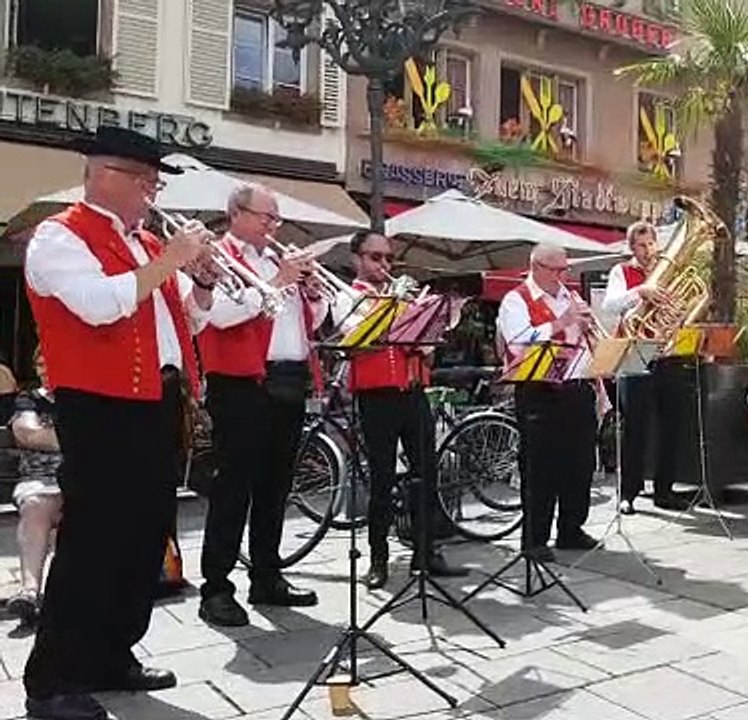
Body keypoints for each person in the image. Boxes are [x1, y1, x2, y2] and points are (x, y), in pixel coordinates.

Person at [23, 127, 215, 720]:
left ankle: (112, 653)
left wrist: (201, 279)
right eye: (147, 183)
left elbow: (193, 321)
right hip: (100, 405)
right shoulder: (58, 236)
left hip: (154, 401)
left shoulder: (141, 242)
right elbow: (100, 304)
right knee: (93, 540)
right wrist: (169, 260)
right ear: (109, 175)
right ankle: (52, 679)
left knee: (143, 535)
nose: (152, 195)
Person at [196, 184, 323, 627]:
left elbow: (312, 322)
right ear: (236, 214)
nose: (274, 227)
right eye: (267, 217)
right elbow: (220, 316)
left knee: (276, 486)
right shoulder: (216, 256)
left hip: (288, 379)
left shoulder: (274, 261)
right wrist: (279, 281)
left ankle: (267, 575)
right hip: (240, 384)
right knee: (234, 487)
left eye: (276, 219)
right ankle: (216, 588)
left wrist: (310, 292)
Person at [342, 230, 466, 588]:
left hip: (413, 392)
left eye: (388, 258)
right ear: (357, 259)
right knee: (381, 478)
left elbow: (427, 348)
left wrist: (433, 320)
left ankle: (425, 553)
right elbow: (358, 340)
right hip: (377, 396)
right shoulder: (350, 296)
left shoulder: (406, 299)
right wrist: (396, 309)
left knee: (426, 473)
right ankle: (377, 558)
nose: (384, 265)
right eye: (375, 257)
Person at [496, 244, 599, 562]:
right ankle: (535, 539)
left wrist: (590, 329)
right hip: (539, 391)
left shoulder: (570, 296)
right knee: (541, 468)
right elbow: (516, 340)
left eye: (565, 269)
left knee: (580, 464)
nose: (563, 276)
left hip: (577, 387)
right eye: (557, 270)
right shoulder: (516, 299)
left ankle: (571, 528)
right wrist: (561, 321)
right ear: (536, 267)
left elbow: (586, 336)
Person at [600, 221, 680, 513]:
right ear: (632, 247)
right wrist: (640, 292)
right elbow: (609, 305)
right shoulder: (622, 272)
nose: (648, 251)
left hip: (666, 353)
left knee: (671, 425)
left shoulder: (668, 271)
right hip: (633, 352)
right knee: (636, 428)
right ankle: (628, 493)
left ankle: (665, 490)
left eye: (651, 245)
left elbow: (679, 306)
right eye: (642, 246)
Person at [6, 347, 61, 628]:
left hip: (82, 479)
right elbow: (28, 433)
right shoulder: (30, 399)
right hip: (41, 481)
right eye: (40, 364)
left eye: (50, 361)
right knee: (36, 506)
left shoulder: (81, 397)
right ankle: (30, 592)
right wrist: (78, 438)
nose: (45, 369)